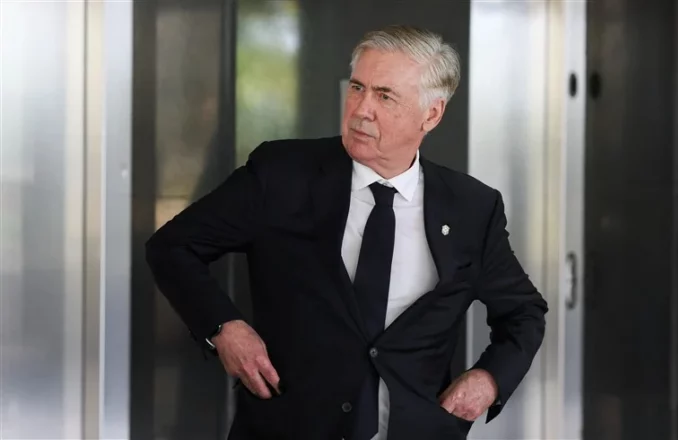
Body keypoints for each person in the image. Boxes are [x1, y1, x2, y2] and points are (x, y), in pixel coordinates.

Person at [146, 25, 547, 440]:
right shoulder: (282, 174)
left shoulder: (472, 208)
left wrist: (489, 379)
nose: (361, 109)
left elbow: (523, 312)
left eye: (384, 96)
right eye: (357, 88)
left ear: (431, 114)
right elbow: (172, 247)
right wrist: (222, 327)